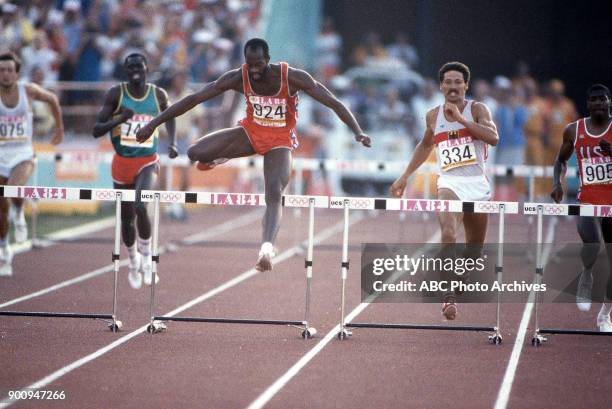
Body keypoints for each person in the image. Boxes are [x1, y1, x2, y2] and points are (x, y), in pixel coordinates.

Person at [136, 38, 371, 272]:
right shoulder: (239, 76)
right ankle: (222, 156)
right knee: (195, 152)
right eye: (250, 64)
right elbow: (193, 99)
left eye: (258, 64)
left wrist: (357, 131)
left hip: (279, 141)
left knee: (274, 192)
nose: (254, 70)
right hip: (249, 133)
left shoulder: (292, 77)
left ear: (268, 60)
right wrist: (153, 125)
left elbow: (333, 102)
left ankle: (266, 249)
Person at [390, 62, 499, 320]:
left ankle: (463, 273)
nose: (452, 86)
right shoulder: (432, 116)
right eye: (448, 82)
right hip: (449, 183)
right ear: (441, 86)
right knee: (448, 232)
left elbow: (493, 138)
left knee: (475, 249)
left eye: (457, 82)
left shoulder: (477, 109)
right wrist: (405, 176)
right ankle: (448, 297)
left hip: (477, 184)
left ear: (465, 85)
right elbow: (425, 145)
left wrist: (461, 120)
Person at [93, 53, 176, 289]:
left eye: (139, 67)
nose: (135, 71)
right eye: (130, 68)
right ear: (125, 71)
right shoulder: (116, 94)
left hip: (147, 161)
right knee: (126, 219)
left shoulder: (158, 94)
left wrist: (172, 142)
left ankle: (148, 259)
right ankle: (133, 260)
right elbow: (96, 130)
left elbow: (170, 115)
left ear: (147, 68)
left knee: (141, 205)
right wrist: (119, 119)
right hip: (122, 162)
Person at [551, 84, 612, 332]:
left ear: (609, 102)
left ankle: (605, 314)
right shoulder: (573, 130)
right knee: (592, 246)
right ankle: (587, 275)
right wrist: (557, 183)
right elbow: (560, 160)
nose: (598, 103)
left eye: (602, 99)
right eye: (594, 100)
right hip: (587, 200)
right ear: (588, 104)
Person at [0, 52, 64, 277]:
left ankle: (19, 212)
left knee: (14, 189)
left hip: (23, 154)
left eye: (9, 70)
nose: (5, 74)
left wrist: (59, 129)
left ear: (16, 73)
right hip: (1, 156)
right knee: (1, 206)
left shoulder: (27, 90)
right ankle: (5, 250)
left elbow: (53, 100)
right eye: (2, 70)